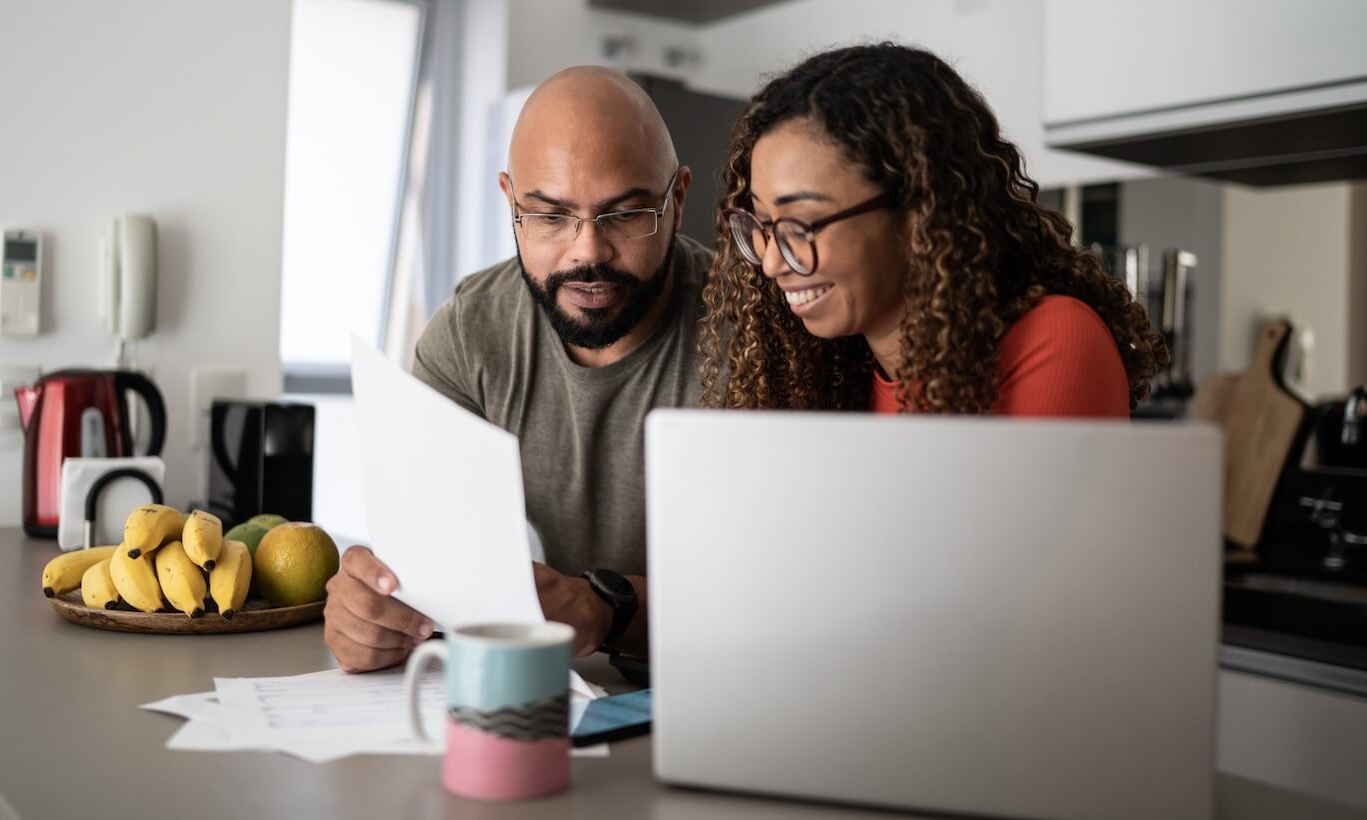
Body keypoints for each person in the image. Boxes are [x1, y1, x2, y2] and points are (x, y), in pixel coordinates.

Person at [325, 67, 710, 672]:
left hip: (733, 690)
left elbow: (791, 590)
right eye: (550, 217)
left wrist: (602, 607)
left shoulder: (757, 335)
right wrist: (374, 612)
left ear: (678, 200)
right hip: (556, 697)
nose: (587, 251)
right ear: (510, 202)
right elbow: (426, 565)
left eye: (626, 214)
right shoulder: (470, 332)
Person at [700, 43, 1167, 416]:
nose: (771, 261)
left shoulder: (1054, 341)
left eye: (801, 224)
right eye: (762, 225)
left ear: (917, 213)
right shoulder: (831, 372)